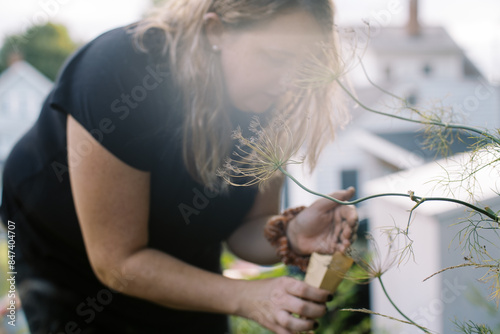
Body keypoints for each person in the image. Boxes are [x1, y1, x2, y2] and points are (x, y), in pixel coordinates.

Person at [0, 1, 358, 333]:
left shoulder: (272, 100)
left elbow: (244, 229)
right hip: (63, 245)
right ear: (215, 31)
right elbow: (119, 262)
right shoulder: (121, 71)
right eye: (275, 58)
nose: (289, 84)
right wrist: (246, 296)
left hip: (176, 242)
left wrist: (291, 233)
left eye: (304, 67)